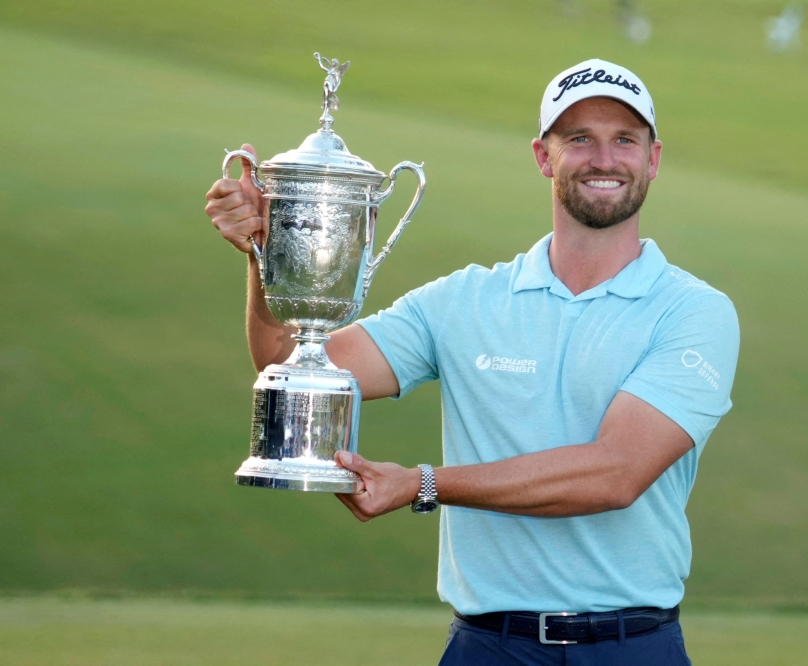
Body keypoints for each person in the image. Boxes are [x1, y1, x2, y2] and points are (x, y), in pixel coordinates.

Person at [205, 58, 739, 665]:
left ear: (653, 158)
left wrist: (424, 485)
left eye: (624, 140)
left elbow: (615, 474)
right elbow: (287, 361)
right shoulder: (464, 301)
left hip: (633, 648)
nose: (604, 159)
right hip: (489, 646)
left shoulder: (693, 312)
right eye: (579, 139)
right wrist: (270, 253)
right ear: (544, 156)